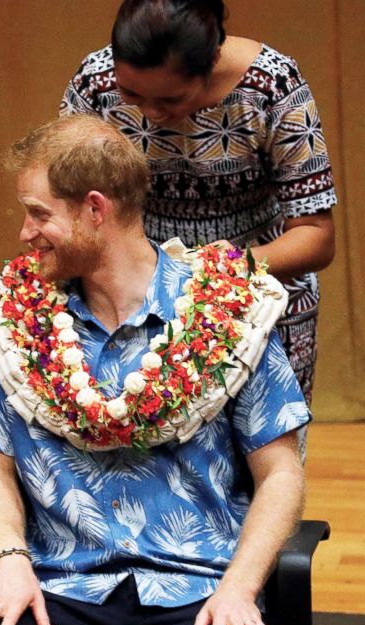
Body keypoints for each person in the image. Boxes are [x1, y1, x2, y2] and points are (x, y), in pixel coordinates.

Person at [0, 115, 308, 625]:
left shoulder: (229, 314)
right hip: (59, 589)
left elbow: (281, 473)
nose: (24, 232)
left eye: (39, 213)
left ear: (95, 209)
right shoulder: (18, 324)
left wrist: (240, 588)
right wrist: (10, 557)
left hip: (199, 589)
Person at [60, 0, 336, 405]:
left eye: (171, 99)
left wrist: (226, 266)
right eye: (132, 94)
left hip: (258, 298)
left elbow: (316, 236)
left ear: (211, 63)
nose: (152, 113)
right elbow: (70, 205)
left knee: (266, 461)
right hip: (133, 302)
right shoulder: (95, 84)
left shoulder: (273, 85)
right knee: (145, 459)